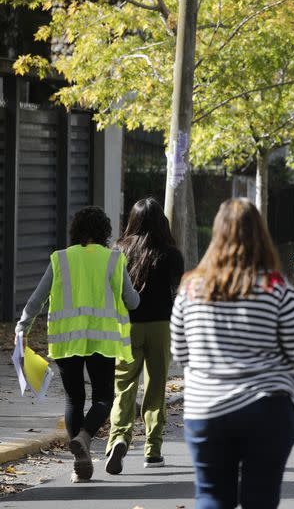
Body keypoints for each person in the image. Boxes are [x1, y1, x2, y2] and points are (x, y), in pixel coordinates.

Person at [171, 198, 294, 509]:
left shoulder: (190, 287)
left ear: (216, 234)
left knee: (211, 497)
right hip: (267, 410)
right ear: (260, 234)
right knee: (260, 499)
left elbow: (180, 353)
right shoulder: (276, 287)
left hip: (206, 410)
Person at [15, 206, 139, 483]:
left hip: (66, 338)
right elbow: (132, 301)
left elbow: (37, 299)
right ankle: (84, 437)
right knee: (104, 397)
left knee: (74, 399)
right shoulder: (114, 260)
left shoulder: (60, 259)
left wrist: (22, 326)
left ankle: (79, 462)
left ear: (75, 231)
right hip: (102, 339)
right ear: (105, 233)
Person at [105, 197, 184, 474]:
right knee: (156, 386)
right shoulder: (172, 254)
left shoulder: (118, 250)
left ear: (133, 220)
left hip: (127, 326)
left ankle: (119, 438)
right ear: (161, 222)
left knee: (123, 386)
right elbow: (177, 294)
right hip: (161, 326)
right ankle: (152, 449)